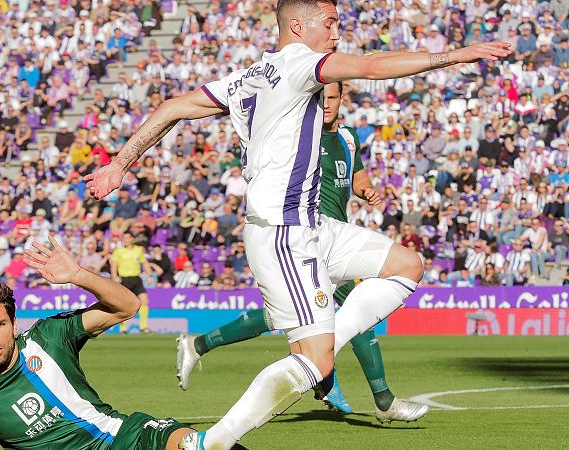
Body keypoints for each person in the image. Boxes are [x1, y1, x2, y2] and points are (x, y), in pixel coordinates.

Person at [84, 1, 509, 447]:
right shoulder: (299, 63)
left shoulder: (248, 77)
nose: (336, 33)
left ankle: (328, 338)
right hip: (284, 231)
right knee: (316, 363)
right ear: (298, 25)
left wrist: (119, 164)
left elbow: (173, 106)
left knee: (407, 265)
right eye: (330, 23)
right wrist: (454, 55)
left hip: (313, 225)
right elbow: (371, 66)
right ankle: (209, 443)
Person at [175, 82, 428, 421]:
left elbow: (357, 178)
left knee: (283, 316)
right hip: (304, 241)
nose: (327, 104)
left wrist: (367, 191)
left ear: (342, 99)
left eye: (333, 97)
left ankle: (200, 345)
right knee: (355, 317)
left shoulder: (349, 139)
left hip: (338, 241)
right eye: (321, 97)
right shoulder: (300, 134)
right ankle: (379, 398)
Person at [0, 236, 237, 450]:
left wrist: (79, 276)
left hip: (124, 438)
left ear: (14, 325)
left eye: (0, 324)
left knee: (200, 445)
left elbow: (127, 307)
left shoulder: (48, 336)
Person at [109, 231, 152, 333]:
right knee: (124, 304)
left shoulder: (138, 250)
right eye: (124, 238)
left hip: (136, 278)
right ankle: (123, 327)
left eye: (127, 238)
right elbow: (114, 265)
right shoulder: (118, 251)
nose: (126, 240)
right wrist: (114, 277)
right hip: (124, 279)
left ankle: (143, 326)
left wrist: (149, 275)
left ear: (132, 239)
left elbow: (144, 262)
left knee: (144, 300)